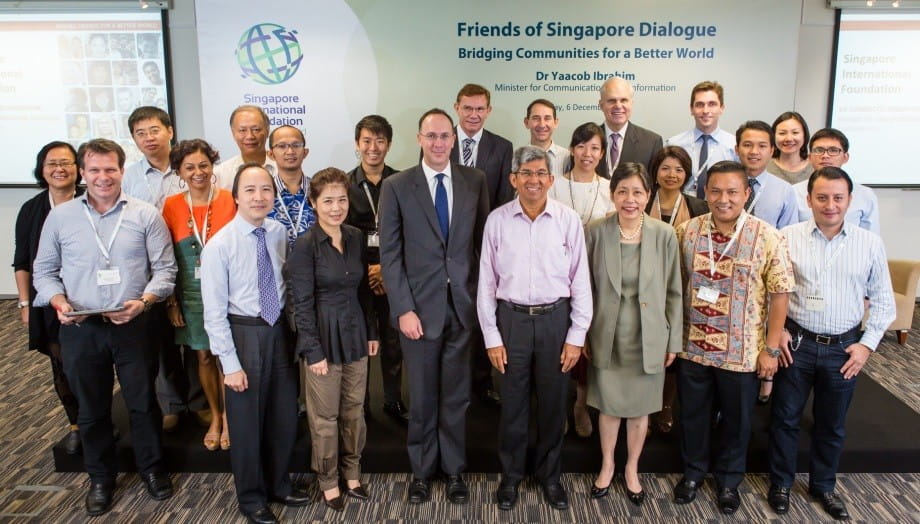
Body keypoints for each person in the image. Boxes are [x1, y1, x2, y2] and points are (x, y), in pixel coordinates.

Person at [32, 138, 177, 516]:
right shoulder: (61, 217)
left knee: (142, 402)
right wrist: (59, 301)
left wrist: (144, 301)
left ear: (122, 171)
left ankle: (152, 469)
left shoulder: (145, 215)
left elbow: (165, 271)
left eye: (110, 169)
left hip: (133, 323)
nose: (103, 177)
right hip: (82, 327)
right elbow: (44, 273)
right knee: (92, 408)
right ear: (83, 173)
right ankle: (100, 477)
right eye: (94, 170)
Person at [767, 167, 895, 521]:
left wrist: (866, 346)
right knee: (785, 419)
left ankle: (824, 486)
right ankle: (780, 483)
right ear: (808, 200)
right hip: (798, 343)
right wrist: (776, 330)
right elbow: (767, 290)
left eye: (838, 198)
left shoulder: (869, 243)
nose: (830, 205)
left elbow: (885, 302)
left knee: (832, 424)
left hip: (845, 349)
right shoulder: (786, 237)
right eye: (821, 197)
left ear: (850, 201)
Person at [379, 108, 489, 505]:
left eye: (445, 136)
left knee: (457, 398)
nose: (439, 143)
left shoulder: (474, 181)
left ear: (454, 139)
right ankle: (422, 472)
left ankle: (454, 470)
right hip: (418, 313)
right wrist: (402, 309)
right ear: (419, 138)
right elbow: (390, 255)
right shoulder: (396, 186)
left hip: (462, 307)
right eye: (432, 136)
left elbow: (483, 246)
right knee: (423, 398)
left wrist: (482, 300)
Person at [672, 160, 794, 515]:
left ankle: (728, 481)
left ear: (746, 194)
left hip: (741, 352)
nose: (723, 199)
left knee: (737, 423)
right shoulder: (687, 232)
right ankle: (693, 473)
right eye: (715, 191)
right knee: (693, 416)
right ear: (705, 193)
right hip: (693, 347)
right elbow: (676, 286)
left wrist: (770, 349)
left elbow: (780, 294)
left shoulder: (767, 236)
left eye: (732, 192)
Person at [478, 146, 591, 511]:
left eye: (541, 173)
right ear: (513, 179)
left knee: (554, 406)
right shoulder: (496, 221)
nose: (534, 180)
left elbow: (581, 283)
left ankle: (550, 477)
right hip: (510, 320)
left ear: (551, 179)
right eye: (526, 173)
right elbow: (485, 285)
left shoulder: (568, 220)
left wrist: (576, 337)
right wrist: (492, 337)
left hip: (555, 321)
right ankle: (510, 477)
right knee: (512, 405)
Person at [200, 163, 309, 523]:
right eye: (250, 190)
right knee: (247, 424)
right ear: (235, 196)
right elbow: (213, 313)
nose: (259, 197)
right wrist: (229, 365)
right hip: (243, 334)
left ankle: (279, 483)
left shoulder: (278, 232)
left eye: (266, 189)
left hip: (279, 331)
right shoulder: (219, 246)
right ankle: (251, 497)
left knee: (283, 417)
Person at [585, 162, 682, 505]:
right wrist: (581, 334)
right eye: (622, 191)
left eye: (637, 192)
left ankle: (632, 468)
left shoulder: (664, 234)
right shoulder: (595, 231)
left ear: (648, 194)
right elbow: (584, 289)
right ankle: (608, 465)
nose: (630, 199)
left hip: (649, 336)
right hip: (606, 334)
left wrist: (674, 339)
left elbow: (674, 291)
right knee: (610, 406)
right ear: (612, 195)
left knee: (640, 410)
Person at [287, 168, 379, 512]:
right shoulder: (305, 246)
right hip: (322, 337)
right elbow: (301, 305)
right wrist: (313, 351)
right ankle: (327, 480)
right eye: (328, 201)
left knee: (354, 410)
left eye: (342, 199)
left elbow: (365, 292)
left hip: (355, 333)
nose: (336, 207)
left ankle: (352, 472)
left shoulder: (355, 237)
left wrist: (372, 331)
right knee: (324, 418)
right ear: (314, 203)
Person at [124, 106, 197, 433]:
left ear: (169, 130)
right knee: (162, 340)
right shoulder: (129, 177)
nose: (148, 138)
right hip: (151, 265)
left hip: (193, 261)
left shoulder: (190, 167)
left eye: (154, 130)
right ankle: (171, 403)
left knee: (197, 334)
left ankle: (199, 400)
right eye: (141, 133)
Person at [161, 139, 237, 451]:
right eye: (189, 167)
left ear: (213, 166)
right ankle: (216, 416)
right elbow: (165, 258)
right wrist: (172, 301)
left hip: (229, 291)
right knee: (203, 356)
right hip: (190, 294)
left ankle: (232, 416)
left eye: (203, 165)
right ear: (179, 171)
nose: (198, 172)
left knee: (227, 356)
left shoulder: (230, 200)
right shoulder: (172, 206)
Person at [13, 142, 84, 454]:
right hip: (48, 300)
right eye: (52, 163)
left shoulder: (89, 200)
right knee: (61, 364)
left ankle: (100, 418)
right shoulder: (32, 209)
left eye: (67, 163)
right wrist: (25, 302)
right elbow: (23, 260)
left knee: (92, 363)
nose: (60, 169)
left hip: (88, 297)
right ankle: (77, 424)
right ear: (42, 169)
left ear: (78, 168)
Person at [547, 121, 614, 437]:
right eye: (582, 146)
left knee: (589, 342)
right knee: (559, 341)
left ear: (602, 153)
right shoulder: (554, 185)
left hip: (597, 276)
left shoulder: (611, 188)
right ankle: (557, 406)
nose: (588, 153)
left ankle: (582, 403)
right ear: (571, 149)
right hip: (558, 276)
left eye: (595, 147)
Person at [449, 83, 512, 406]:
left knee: (483, 313)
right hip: (448, 249)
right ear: (456, 107)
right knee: (454, 317)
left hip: (486, 246)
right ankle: (456, 382)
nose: (473, 115)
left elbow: (503, 200)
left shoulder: (502, 147)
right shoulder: (441, 142)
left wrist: (493, 245)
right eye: (467, 108)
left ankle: (483, 383)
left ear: (488, 110)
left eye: (480, 109)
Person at [345, 114, 407, 423]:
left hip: (393, 273)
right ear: (357, 144)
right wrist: (368, 268)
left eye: (380, 141)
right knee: (360, 343)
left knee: (393, 341)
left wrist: (384, 267)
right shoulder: (343, 183)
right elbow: (339, 234)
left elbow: (410, 231)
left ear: (389, 145)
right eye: (367, 141)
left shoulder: (403, 182)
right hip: (357, 277)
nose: (373, 147)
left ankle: (393, 400)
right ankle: (361, 404)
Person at [643, 145, 708, 434]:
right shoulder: (642, 201)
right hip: (644, 289)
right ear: (655, 172)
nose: (672, 174)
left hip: (683, 288)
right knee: (646, 347)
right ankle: (643, 403)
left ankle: (666, 405)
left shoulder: (698, 207)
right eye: (666, 168)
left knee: (674, 348)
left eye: (679, 169)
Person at [792, 128, 880, 234]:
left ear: (845, 157)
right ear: (810, 157)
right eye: (819, 150)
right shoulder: (793, 192)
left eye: (833, 150)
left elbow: (871, 239)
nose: (825, 156)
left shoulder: (865, 194)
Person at [665, 81, 738, 197]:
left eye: (712, 104)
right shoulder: (675, 144)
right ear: (691, 109)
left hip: (720, 210)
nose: (705, 110)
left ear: (721, 108)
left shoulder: (734, 146)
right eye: (699, 105)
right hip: (682, 211)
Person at [736, 121, 799, 230]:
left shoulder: (785, 190)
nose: (754, 151)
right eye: (747, 145)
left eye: (762, 146)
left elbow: (789, 234)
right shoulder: (723, 185)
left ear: (771, 151)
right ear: (737, 149)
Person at [595, 77, 662, 178]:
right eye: (612, 100)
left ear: (631, 103)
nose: (618, 105)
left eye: (624, 100)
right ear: (601, 105)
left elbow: (654, 186)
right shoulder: (587, 140)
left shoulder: (652, 142)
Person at [266, 125, 315, 247]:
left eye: (296, 145)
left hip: (315, 264)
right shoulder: (263, 193)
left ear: (305, 152)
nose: (290, 151)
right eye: (282, 146)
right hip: (274, 264)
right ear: (271, 154)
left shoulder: (318, 189)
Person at [214, 105, 277, 190]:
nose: (250, 136)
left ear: (267, 130)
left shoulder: (284, 167)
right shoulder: (221, 173)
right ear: (233, 133)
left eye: (256, 129)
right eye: (242, 130)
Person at [523, 99, 570, 176]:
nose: (542, 125)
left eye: (547, 118)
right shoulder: (515, 158)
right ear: (526, 122)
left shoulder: (567, 158)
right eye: (536, 118)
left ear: (555, 123)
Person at [767, 112, 813, 185]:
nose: (789, 138)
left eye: (795, 132)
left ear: (804, 136)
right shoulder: (764, 166)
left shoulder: (814, 167)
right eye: (782, 133)